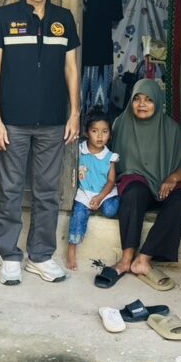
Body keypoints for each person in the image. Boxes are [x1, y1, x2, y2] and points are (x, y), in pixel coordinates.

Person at [0, 0, 80, 285]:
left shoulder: (63, 19)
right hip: (12, 121)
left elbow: (71, 69)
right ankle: (10, 256)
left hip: (53, 122)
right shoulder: (3, 17)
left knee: (47, 192)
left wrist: (74, 112)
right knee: (11, 190)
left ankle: (40, 256)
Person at [96, 79, 181, 289]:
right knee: (133, 191)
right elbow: (108, 157)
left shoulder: (171, 129)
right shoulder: (121, 124)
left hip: (167, 183)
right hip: (139, 182)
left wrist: (173, 178)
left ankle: (143, 259)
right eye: (137, 99)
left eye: (148, 100)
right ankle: (126, 259)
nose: (141, 104)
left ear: (158, 102)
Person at [66, 111, 120, 271]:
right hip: (85, 193)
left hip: (105, 193)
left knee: (110, 210)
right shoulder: (80, 150)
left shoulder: (110, 157)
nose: (100, 136)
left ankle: (104, 203)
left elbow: (111, 181)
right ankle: (72, 249)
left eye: (105, 131)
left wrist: (100, 197)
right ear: (86, 132)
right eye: (95, 131)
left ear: (110, 134)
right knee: (78, 215)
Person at [81, 0, 123, 114]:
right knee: (74, 106)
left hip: (101, 55)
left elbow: (115, 19)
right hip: (76, 56)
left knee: (99, 108)